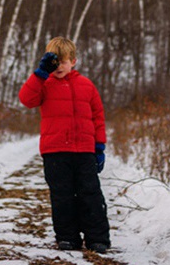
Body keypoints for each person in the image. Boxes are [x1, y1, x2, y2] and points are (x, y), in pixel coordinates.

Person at [18, 36, 111, 253]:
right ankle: (67, 237)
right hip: (55, 151)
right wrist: (40, 74)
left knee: (91, 194)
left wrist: (99, 147)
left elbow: (97, 117)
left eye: (63, 61)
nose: (59, 66)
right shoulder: (44, 84)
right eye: (54, 62)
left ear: (73, 61)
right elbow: (26, 99)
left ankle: (97, 238)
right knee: (62, 196)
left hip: (85, 151)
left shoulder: (87, 85)